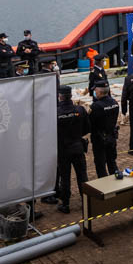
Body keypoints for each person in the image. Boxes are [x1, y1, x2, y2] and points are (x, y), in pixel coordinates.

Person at [55, 85, 89, 213]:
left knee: (65, 177)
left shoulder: (55, 113)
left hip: (63, 149)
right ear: (71, 96)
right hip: (77, 147)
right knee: (82, 175)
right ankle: (85, 200)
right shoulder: (80, 110)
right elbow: (87, 128)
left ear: (60, 96)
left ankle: (65, 204)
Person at [89, 84, 119, 178]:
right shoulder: (114, 102)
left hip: (99, 138)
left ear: (100, 92)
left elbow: (91, 123)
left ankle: (104, 183)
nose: (95, 92)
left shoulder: (95, 106)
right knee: (112, 162)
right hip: (112, 136)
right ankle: (117, 180)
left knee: (100, 164)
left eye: (95, 91)